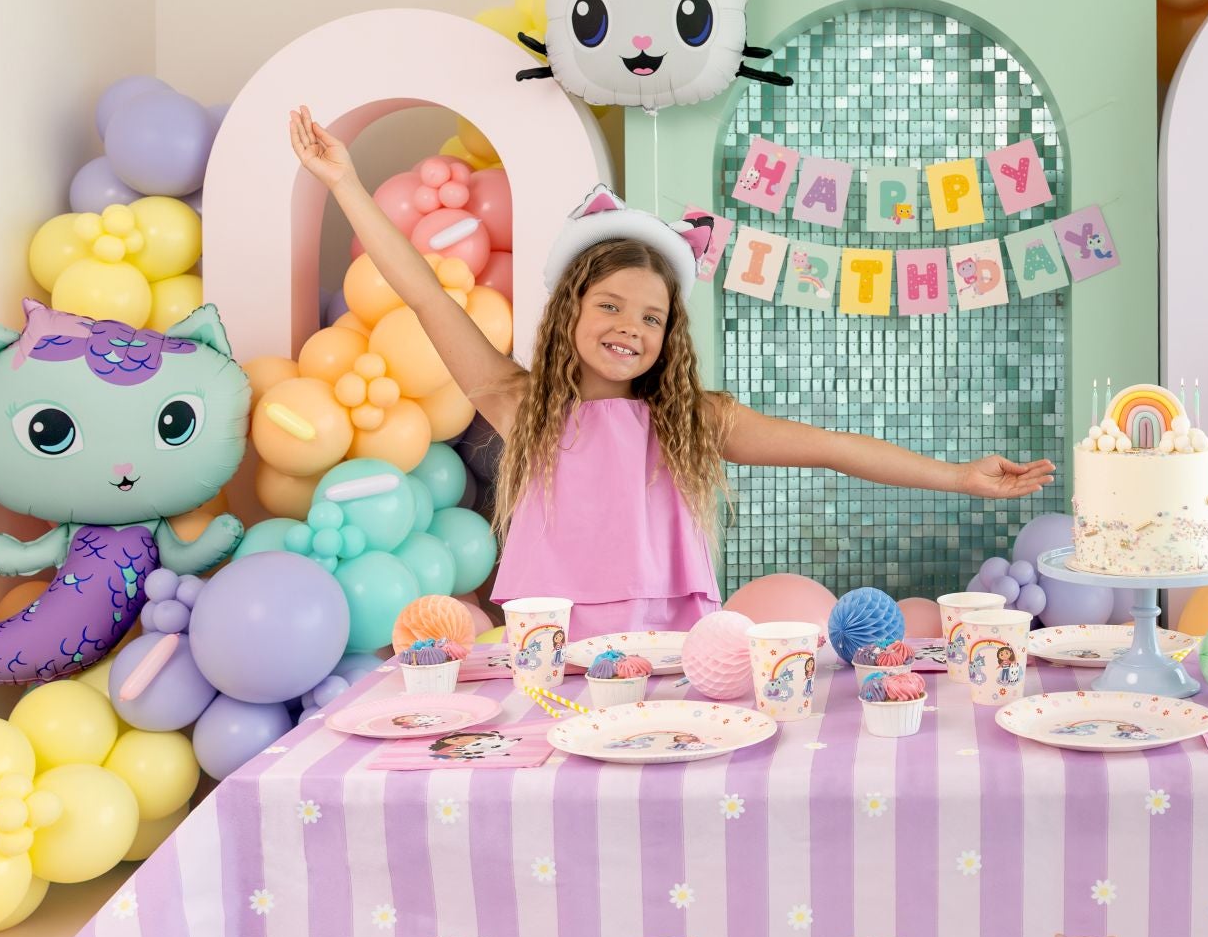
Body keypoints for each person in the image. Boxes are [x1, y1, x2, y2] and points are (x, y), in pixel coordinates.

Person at [288, 109, 1054, 639]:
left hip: (669, 643)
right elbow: (425, 294)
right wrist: (344, 182)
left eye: (651, 318)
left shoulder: (694, 419)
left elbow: (833, 447)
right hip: (552, 639)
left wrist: (959, 477)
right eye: (610, 306)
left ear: (668, 336)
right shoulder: (518, 403)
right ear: (569, 312)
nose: (630, 327)